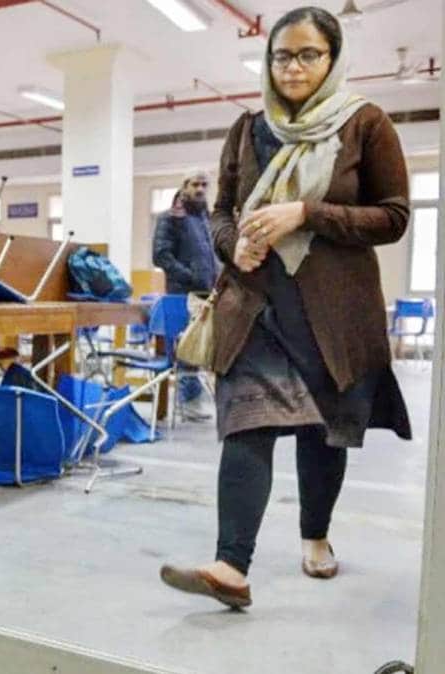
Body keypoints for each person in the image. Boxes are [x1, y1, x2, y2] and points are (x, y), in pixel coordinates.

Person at [159, 6, 411, 609]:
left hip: (333, 315)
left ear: (333, 58)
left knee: (324, 432)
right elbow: (222, 210)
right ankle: (231, 566)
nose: (292, 67)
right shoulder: (248, 128)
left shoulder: (365, 124)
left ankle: (315, 534)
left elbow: (395, 216)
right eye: (281, 56)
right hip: (257, 307)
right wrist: (231, 244)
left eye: (307, 55)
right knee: (247, 424)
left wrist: (306, 214)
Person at [152, 172, 220, 418]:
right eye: (195, 184)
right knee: (188, 347)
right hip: (183, 294)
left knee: (205, 347)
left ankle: (197, 399)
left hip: (209, 293)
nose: (200, 189)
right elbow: (161, 255)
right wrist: (191, 276)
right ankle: (189, 402)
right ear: (184, 187)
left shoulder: (206, 218)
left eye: (204, 184)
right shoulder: (170, 218)